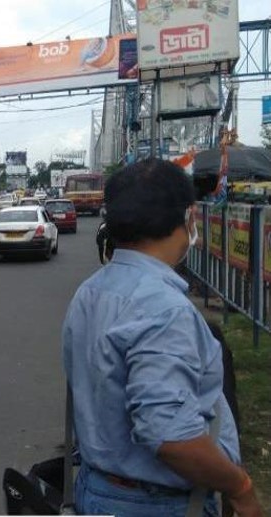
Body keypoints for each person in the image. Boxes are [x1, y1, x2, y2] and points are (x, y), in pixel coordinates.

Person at [64, 159, 261, 517]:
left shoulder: (92, 291)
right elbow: (171, 438)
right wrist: (241, 488)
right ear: (188, 217)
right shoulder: (163, 310)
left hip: (97, 488)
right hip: (155, 503)